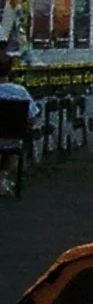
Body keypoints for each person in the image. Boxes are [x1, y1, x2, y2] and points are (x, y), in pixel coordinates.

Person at [0, 51, 35, 196]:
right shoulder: (20, 92)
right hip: (12, 140)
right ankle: (2, 176)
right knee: (15, 145)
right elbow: (32, 118)